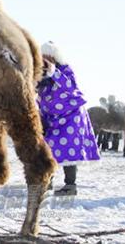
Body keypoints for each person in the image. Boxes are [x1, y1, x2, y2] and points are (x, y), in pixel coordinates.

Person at [37, 41, 100, 196]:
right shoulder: (42, 75)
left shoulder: (65, 70)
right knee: (48, 149)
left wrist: (54, 73)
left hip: (70, 118)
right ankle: (47, 182)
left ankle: (70, 185)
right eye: (42, 56)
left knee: (68, 150)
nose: (45, 60)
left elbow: (70, 87)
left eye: (48, 56)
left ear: (54, 56)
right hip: (52, 119)